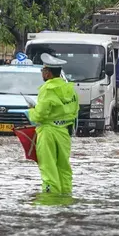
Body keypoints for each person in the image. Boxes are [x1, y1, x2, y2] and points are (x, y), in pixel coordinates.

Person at [27, 53, 80, 198]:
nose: (42, 73)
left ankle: (50, 198)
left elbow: (40, 115)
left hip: (48, 132)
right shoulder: (70, 89)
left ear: (48, 73)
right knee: (64, 168)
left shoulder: (47, 89)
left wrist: (31, 110)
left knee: (48, 167)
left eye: (43, 71)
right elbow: (75, 111)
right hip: (64, 132)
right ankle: (66, 196)